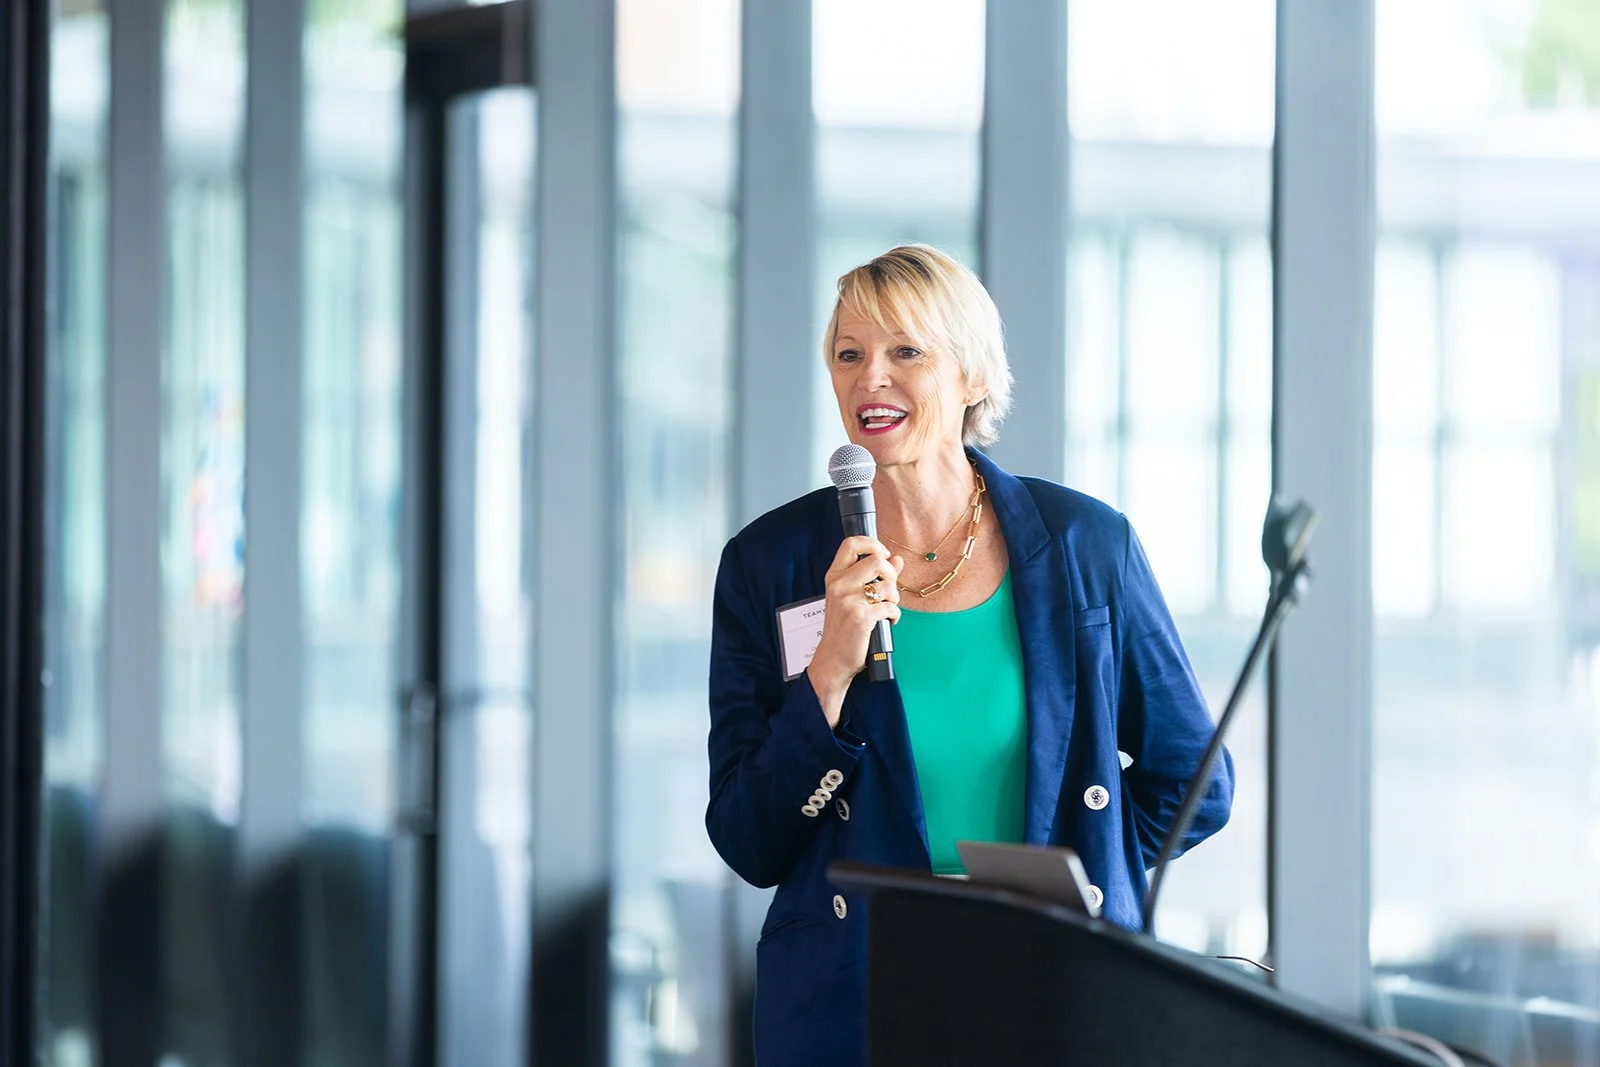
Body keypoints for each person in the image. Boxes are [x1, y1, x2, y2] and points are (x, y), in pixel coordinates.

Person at [705, 244, 1233, 1066]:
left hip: (1052, 985)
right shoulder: (769, 564)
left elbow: (1196, 780)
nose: (871, 377)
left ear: (973, 376)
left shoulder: (1086, 547)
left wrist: (1085, 867)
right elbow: (749, 839)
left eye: (905, 351)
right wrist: (829, 670)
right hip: (856, 996)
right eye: (849, 354)